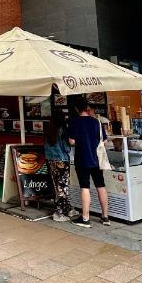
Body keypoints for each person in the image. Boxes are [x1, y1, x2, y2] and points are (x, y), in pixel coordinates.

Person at [68, 96, 110, 228]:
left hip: (82, 159)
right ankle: (105, 217)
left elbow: (72, 141)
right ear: (87, 108)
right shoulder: (96, 122)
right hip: (97, 160)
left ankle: (85, 218)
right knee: (100, 186)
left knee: (85, 187)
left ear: (76, 109)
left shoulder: (74, 122)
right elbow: (104, 141)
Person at [44, 114, 72, 222]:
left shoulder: (48, 131)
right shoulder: (62, 131)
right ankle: (58, 212)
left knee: (57, 186)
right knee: (63, 187)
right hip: (62, 160)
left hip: (50, 161)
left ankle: (66, 208)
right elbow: (67, 148)